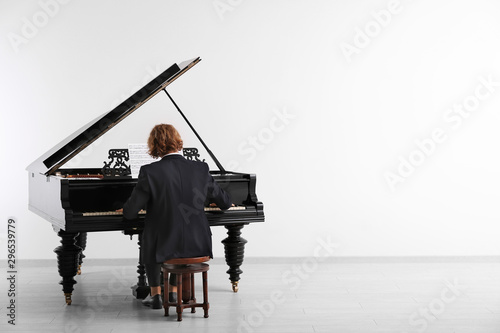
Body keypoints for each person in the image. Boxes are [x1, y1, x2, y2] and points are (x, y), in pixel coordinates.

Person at [122, 124, 232, 309]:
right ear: (178, 142)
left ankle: (156, 294)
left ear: (154, 145)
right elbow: (225, 203)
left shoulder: (150, 171)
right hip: (198, 241)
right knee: (172, 234)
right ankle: (172, 292)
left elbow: (131, 212)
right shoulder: (201, 168)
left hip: (163, 242)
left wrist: (126, 208)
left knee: (150, 234)